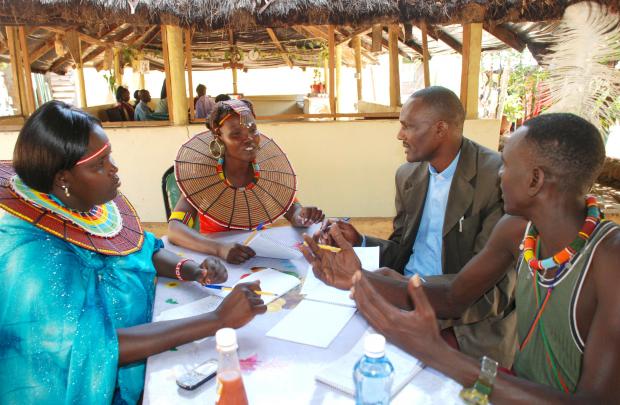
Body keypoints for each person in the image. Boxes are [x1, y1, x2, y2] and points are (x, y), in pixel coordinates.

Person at [302, 113, 620, 403]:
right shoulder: (516, 231)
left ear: (535, 180)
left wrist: (439, 353)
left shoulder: (610, 260)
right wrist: (357, 277)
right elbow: (455, 297)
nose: (499, 175)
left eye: (507, 165)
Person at [0, 101, 267, 404]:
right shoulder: (33, 258)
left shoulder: (85, 205)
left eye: (108, 156)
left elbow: (142, 247)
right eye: (98, 165)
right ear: (63, 179)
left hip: (141, 357)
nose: (113, 168)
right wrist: (217, 320)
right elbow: (95, 348)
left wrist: (191, 269)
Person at [320, 86, 516, 366]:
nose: (400, 135)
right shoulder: (408, 175)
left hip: (464, 320)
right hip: (402, 294)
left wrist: (411, 287)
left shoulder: (495, 178)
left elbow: (491, 287)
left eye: (408, 127)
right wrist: (360, 240)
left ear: (440, 129)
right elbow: (402, 250)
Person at [168, 99, 324, 264]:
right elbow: (175, 228)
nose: (248, 138)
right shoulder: (204, 177)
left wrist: (302, 216)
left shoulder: (267, 171)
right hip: (217, 260)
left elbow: (292, 210)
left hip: (260, 255)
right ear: (219, 138)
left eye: (252, 130)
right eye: (236, 134)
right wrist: (219, 248)